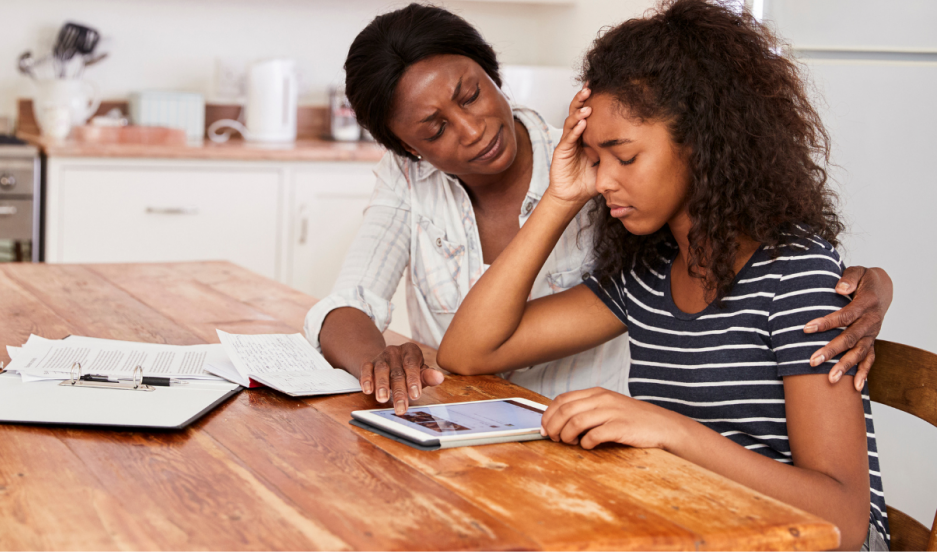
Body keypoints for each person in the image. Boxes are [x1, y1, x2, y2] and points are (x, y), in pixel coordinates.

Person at [438, 1, 888, 549]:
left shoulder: (794, 275)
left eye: (623, 157)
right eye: (594, 159)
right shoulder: (647, 274)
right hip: (703, 527)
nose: (602, 182)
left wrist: (667, 430)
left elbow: (844, 518)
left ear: (700, 143)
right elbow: (468, 352)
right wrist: (559, 198)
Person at [304, 3, 894, 416]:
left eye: (472, 94)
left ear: (491, 72)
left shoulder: (607, 164)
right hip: (485, 437)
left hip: (597, 445)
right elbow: (365, 309)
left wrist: (869, 284)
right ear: (411, 148)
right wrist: (381, 363)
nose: (473, 128)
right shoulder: (413, 182)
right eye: (435, 129)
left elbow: (745, 245)